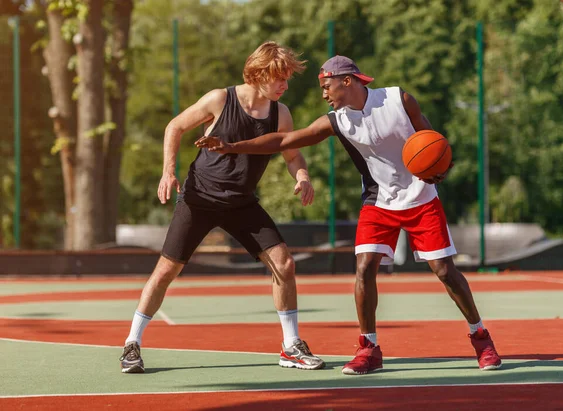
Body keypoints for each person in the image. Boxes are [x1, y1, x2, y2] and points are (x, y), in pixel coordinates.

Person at [195, 55, 502, 375]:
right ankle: (369, 348)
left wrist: (441, 165)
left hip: (421, 198)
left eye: (326, 86)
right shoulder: (336, 121)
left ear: (347, 80)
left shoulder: (399, 99)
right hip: (378, 202)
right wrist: (232, 145)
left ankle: (481, 339)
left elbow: (430, 139)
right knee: (364, 267)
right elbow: (285, 140)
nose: (323, 94)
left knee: (444, 270)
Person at [119, 41, 325, 373]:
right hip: (199, 200)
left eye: (288, 79)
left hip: (241, 203)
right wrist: (168, 172)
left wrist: (302, 175)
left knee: (284, 264)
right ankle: (132, 344)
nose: (286, 86)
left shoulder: (280, 113)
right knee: (166, 272)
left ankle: (290, 346)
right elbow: (175, 126)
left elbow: (291, 153)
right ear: (260, 74)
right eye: (281, 79)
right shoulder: (221, 99)